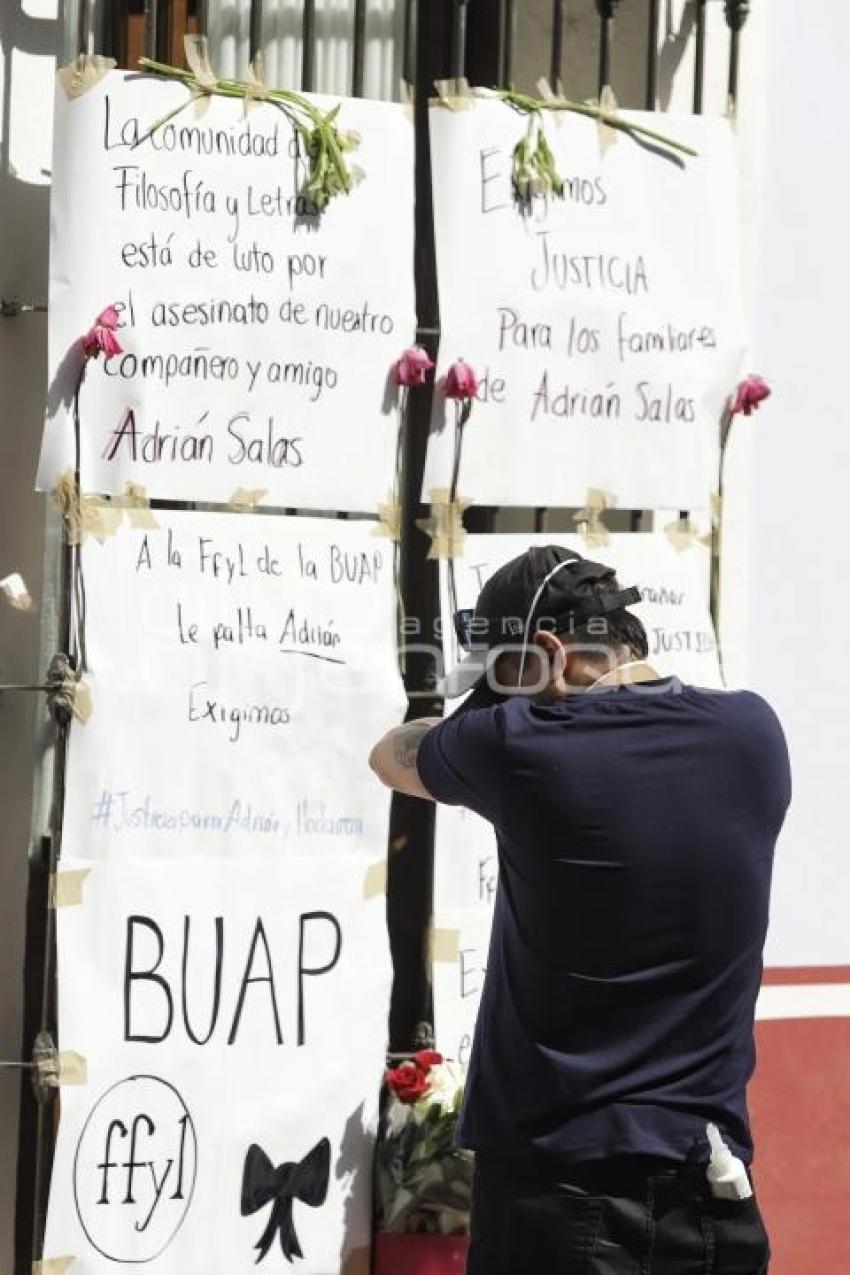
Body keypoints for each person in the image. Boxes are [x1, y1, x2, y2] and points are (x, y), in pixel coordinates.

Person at [369, 544, 790, 1275]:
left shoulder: (518, 749)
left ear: (552, 653)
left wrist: (493, 703)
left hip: (562, 1201)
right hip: (716, 1192)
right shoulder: (755, 735)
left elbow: (390, 757)